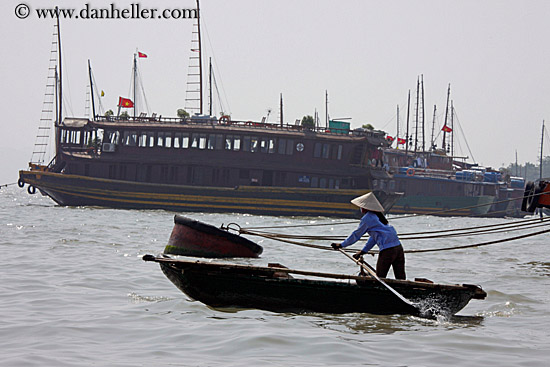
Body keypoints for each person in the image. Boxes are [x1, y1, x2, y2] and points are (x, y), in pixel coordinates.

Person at [331, 192, 406, 280]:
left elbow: (356, 235)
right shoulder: (379, 216)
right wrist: (363, 251)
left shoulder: (367, 218)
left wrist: (341, 245)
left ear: (364, 208)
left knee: (380, 279)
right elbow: (374, 238)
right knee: (400, 278)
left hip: (388, 251)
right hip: (398, 248)